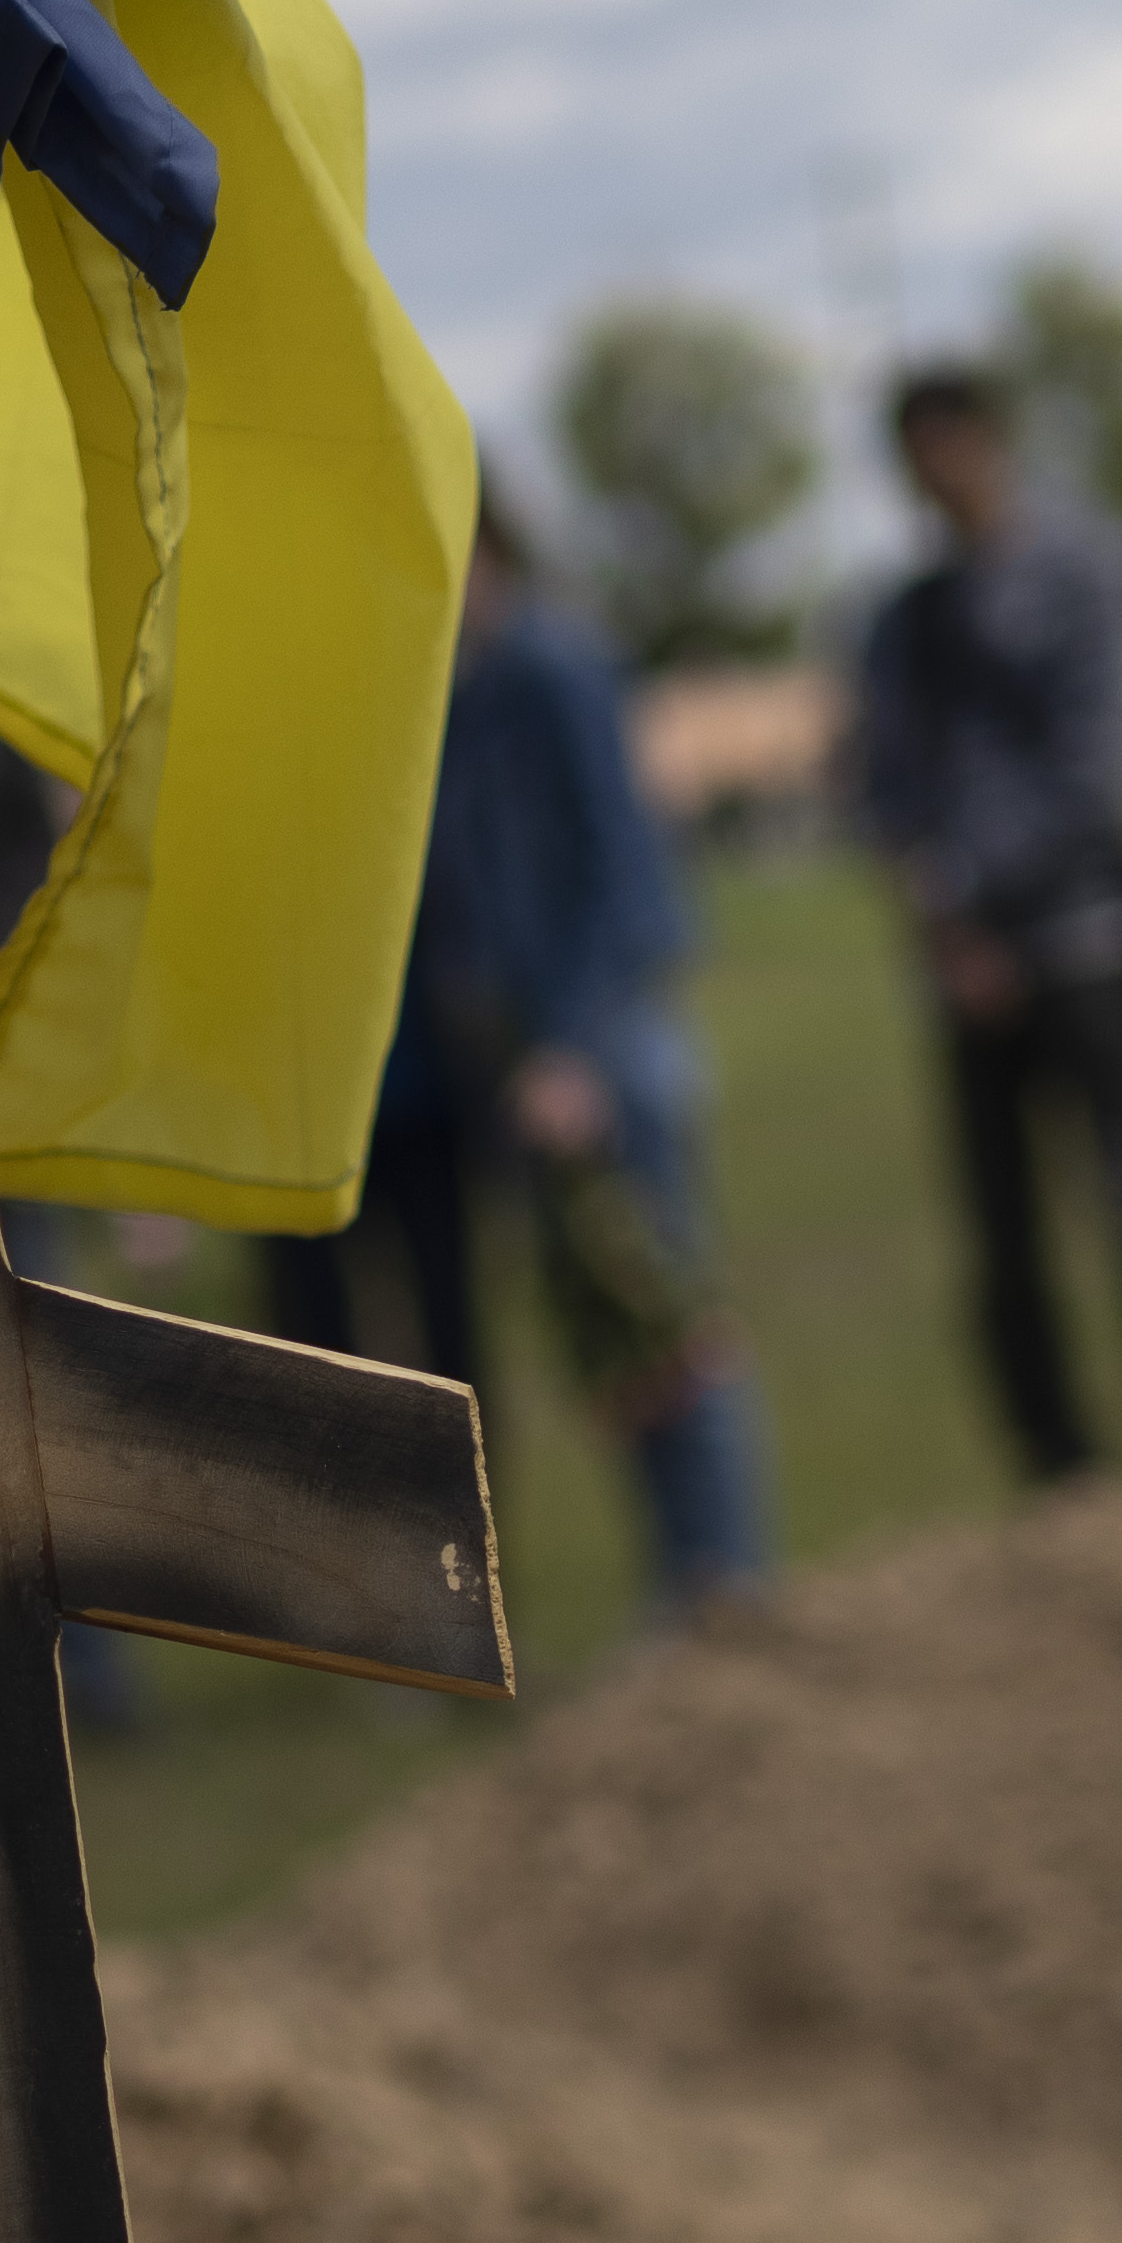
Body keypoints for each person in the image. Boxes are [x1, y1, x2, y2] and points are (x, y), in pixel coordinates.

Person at [834, 361, 1122, 1493]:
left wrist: (983, 894)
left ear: (993, 441)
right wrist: (943, 917)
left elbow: (1099, 769)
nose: (933, 475)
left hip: (1087, 944)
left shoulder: (1082, 573)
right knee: (1005, 1251)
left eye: (949, 444)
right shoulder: (903, 617)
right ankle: (1063, 1480)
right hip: (967, 973)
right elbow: (880, 780)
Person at [399, 491, 774, 1626]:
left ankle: (731, 1577)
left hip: (602, 1057)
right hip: (524, 1073)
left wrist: (569, 1051)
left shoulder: (555, 671)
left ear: (493, 544)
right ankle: (684, 1581)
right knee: (610, 1336)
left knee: (663, 1308)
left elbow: (625, 874)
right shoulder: (447, 697)